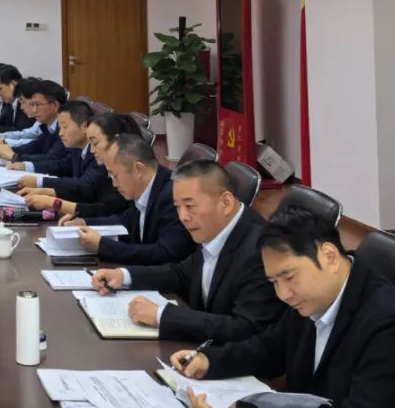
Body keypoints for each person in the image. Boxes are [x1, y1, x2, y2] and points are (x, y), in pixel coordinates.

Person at [171, 205, 395, 408]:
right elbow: (270, 348)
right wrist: (209, 361)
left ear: (329, 257)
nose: (283, 294)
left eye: (288, 277)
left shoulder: (386, 323)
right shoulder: (313, 295)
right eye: (274, 282)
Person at [89, 160, 284, 343]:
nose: (183, 217)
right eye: (178, 207)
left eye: (190, 206)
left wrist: (161, 315)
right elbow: (181, 274)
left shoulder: (261, 250)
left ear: (225, 202)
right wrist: (124, 275)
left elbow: (243, 327)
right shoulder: (216, 226)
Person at [64, 134, 194, 265]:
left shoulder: (171, 196)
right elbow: (126, 221)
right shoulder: (144, 187)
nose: (114, 184)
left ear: (139, 169)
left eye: (115, 175)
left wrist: (103, 246)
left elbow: (164, 253)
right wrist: (84, 222)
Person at [16, 110, 135, 219]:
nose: (91, 150)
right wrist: (48, 193)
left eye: (95, 143)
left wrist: (54, 203)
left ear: (115, 141)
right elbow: (90, 198)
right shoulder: (100, 163)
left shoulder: (120, 172)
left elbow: (104, 209)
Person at [0, 78, 69, 164]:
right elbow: (34, 147)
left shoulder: (65, 128)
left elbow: (52, 158)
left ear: (54, 105)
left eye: (37, 105)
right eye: (32, 104)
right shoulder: (46, 126)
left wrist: (14, 156)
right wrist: (7, 151)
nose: (34, 110)